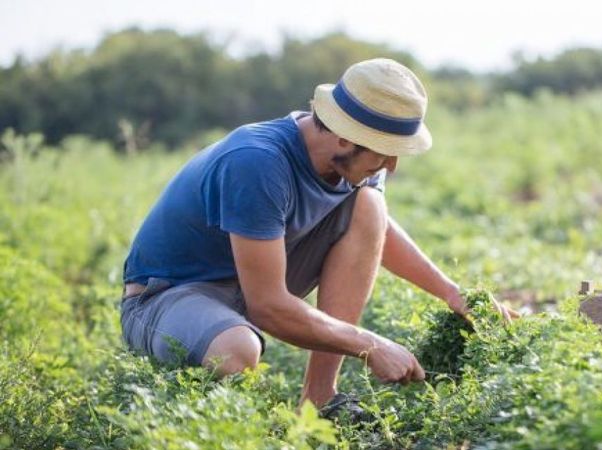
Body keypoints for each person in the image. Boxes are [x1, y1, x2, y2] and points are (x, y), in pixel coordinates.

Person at [119, 58, 518, 419]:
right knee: (237, 351)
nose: (392, 166)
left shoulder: (355, 158)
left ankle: (320, 400)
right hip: (168, 296)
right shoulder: (257, 162)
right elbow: (269, 306)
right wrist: (371, 345)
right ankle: (209, 420)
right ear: (344, 138)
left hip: (249, 281)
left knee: (370, 207)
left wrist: (452, 293)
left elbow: (376, 232)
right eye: (385, 152)